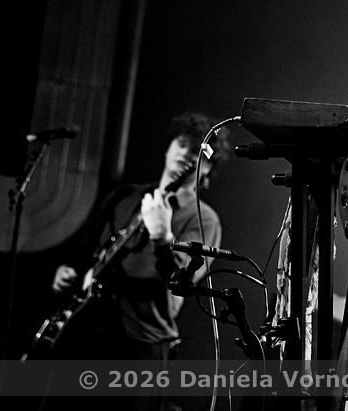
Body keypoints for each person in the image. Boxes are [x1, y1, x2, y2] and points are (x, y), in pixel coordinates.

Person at [46, 111, 228, 410]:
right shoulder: (125, 196)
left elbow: (183, 282)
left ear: (208, 169)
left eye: (197, 152)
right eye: (181, 144)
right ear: (168, 148)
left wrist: (163, 239)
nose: (186, 154)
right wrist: (67, 271)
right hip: (87, 330)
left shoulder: (204, 219)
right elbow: (86, 250)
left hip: (141, 345)